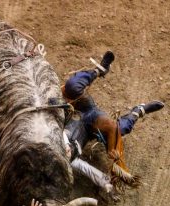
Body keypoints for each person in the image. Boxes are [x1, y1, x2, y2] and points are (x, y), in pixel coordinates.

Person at [62, 51, 164, 188]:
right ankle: (137, 112)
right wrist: (105, 181)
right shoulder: (70, 160)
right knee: (118, 129)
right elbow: (84, 168)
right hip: (88, 128)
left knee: (73, 86)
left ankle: (98, 71)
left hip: (78, 108)